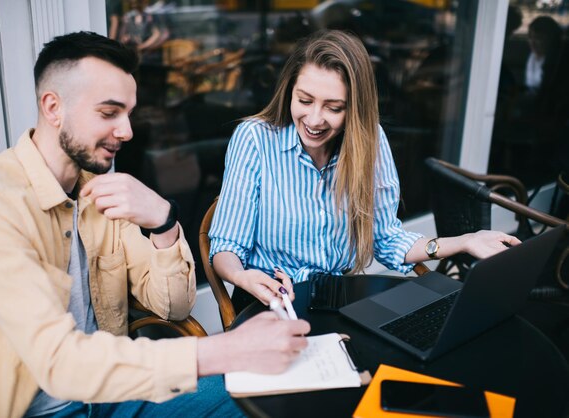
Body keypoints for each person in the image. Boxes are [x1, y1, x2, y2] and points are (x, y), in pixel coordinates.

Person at [0, 31, 310, 418]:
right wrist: (228, 349)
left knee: (271, 394)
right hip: (31, 410)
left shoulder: (100, 195)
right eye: (109, 112)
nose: (127, 131)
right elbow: (59, 363)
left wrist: (164, 224)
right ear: (53, 108)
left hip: (110, 395)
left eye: (128, 113)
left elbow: (174, 307)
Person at [208, 30, 520, 309]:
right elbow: (226, 245)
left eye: (334, 107)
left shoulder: (369, 141)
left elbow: (387, 240)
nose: (315, 120)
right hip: (271, 300)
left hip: (338, 298)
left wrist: (465, 240)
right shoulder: (255, 139)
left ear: (354, 108)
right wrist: (242, 276)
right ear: (289, 91)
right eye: (304, 100)